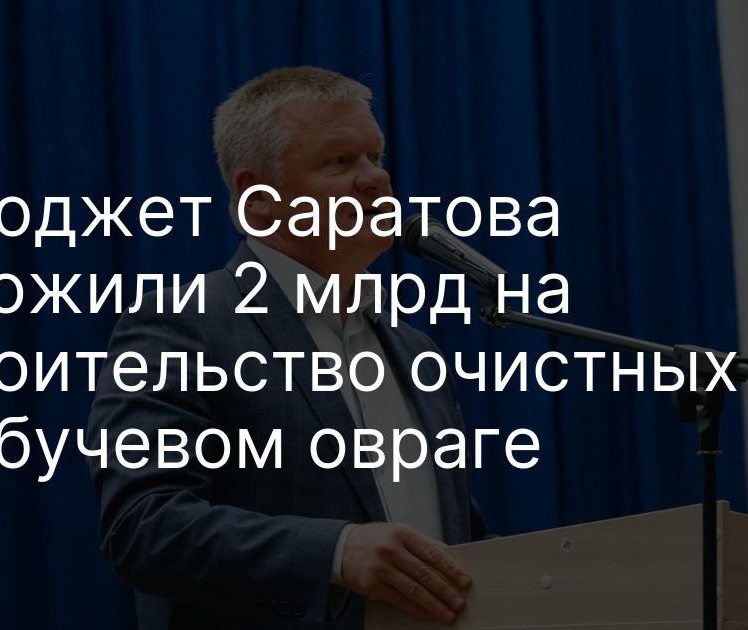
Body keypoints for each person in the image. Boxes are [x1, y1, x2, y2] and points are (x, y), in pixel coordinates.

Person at [88, 66, 488, 629]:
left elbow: (458, 543)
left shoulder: (414, 349)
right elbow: (144, 526)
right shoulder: (183, 324)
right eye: (339, 162)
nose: (376, 179)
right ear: (258, 199)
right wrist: (337, 552)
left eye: (376, 156)